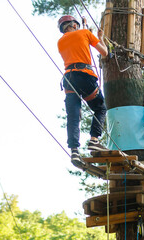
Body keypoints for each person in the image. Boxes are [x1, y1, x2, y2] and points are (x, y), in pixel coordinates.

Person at [57, 15, 109, 162]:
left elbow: (77, 41)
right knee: (100, 108)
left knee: (73, 116)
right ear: (74, 25)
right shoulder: (85, 33)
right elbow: (104, 52)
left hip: (69, 78)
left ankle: (74, 150)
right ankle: (94, 139)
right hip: (84, 75)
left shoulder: (60, 42)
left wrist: (86, 29)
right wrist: (100, 37)